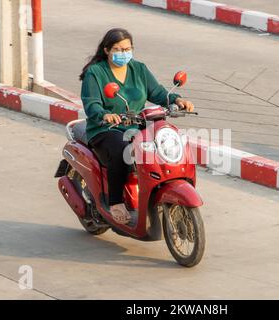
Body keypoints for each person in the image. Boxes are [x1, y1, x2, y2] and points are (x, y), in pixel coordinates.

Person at [79, 28, 194, 225]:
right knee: (122, 151)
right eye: (118, 49)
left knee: (162, 147)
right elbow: (92, 103)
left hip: (137, 127)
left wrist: (177, 100)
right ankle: (116, 202)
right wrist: (105, 115)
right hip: (105, 129)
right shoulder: (95, 73)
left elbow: (157, 92)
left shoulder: (138, 69)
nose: (123, 53)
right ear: (106, 50)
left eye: (127, 49)